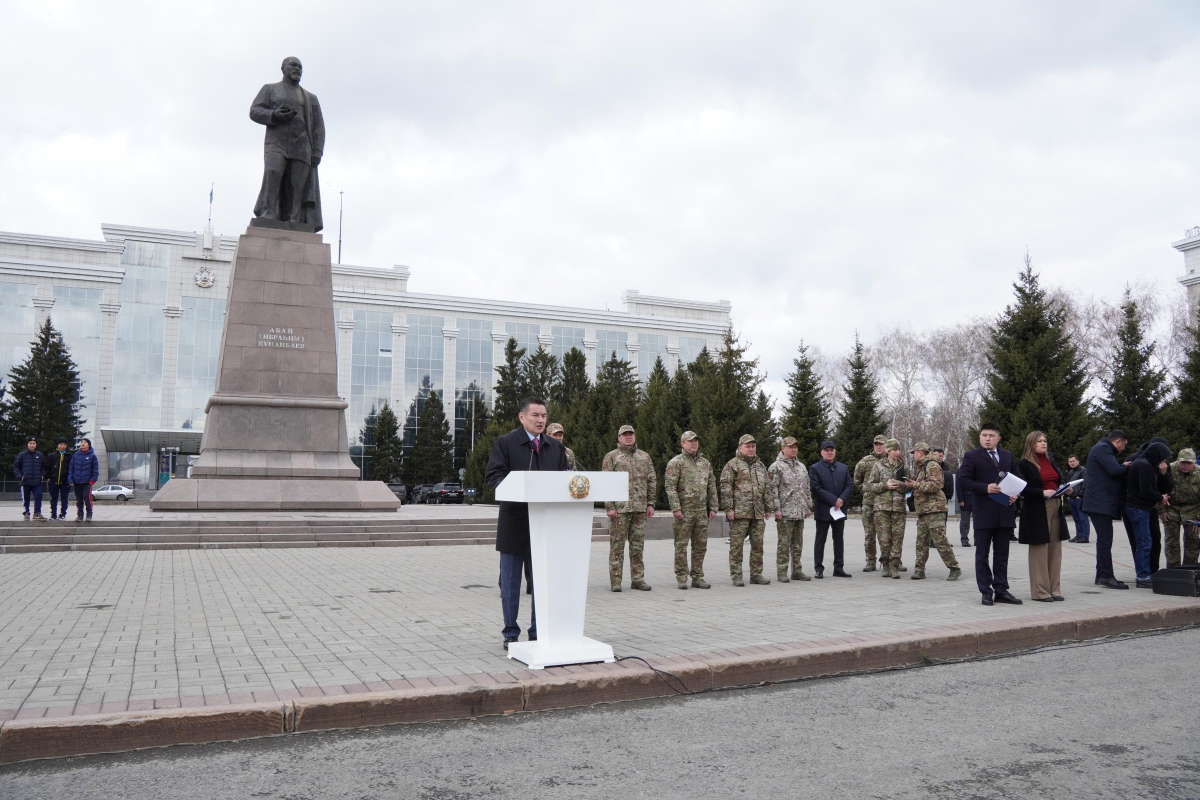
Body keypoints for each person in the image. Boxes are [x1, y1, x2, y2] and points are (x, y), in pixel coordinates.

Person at [485, 397, 570, 650]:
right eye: (535, 415)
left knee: (541, 584)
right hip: (515, 522)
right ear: (522, 417)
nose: (541, 420)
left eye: (543, 415)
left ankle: (537, 631)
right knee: (511, 584)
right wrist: (516, 489)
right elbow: (494, 476)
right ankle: (511, 632)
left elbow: (565, 480)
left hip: (544, 525)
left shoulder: (555, 447)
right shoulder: (506, 443)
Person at [250, 57, 325, 230]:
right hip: (276, 142)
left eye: (300, 67)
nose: (297, 69)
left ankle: (294, 219)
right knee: (273, 172)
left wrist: (317, 150)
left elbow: (319, 127)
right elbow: (255, 111)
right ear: (283, 68)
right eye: (293, 65)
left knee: (297, 184)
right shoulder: (270, 89)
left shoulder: (310, 98)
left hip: (302, 145)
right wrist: (274, 115)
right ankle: (269, 213)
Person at [956, 423, 1023, 606]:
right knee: (982, 554)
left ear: (998, 438)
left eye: (991, 435)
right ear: (980, 437)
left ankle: (1001, 589)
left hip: (1005, 512)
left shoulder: (1007, 455)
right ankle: (986, 591)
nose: (987, 438)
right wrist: (985, 488)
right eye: (984, 435)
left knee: (1002, 554)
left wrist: (1015, 494)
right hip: (984, 512)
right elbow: (963, 480)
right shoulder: (971, 456)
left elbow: (1017, 477)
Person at [1014, 432, 1069, 602]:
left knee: (1055, 549)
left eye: (1045, 440)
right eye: (1039, 441)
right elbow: (1021, 488)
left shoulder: (1050, 460)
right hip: (1037, 508)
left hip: (1056, 505)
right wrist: (1041, 492)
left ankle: (1054, 589)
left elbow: (1057, 480)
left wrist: (1065, 488)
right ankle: (1040, 592)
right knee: (1040, 550)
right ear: (1031, 444)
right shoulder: (1024, 464)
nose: (1043, 443)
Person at [602, 424, 657, 592]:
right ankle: (616, 581)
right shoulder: (612, 457)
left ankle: (638, 579)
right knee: (617, 546)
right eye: (625, 435)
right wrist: (609, 506)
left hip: (640, 508)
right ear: (619, 438)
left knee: (637, 546)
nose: (628, 437)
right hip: (620, 510)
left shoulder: (644, 457)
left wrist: (651, 503)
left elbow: (652, 480)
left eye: (631, 434)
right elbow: (605, 483)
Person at [664, 431, 718, 589]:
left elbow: (712, 486)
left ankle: (698, 576)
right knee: (681, 545)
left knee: (700, 545)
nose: (694, 443)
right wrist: (675, 508)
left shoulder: (705, 463)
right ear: (682, 444)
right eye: (690, 441)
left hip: (701, 512)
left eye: (696, 441)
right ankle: (681, 577)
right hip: (684, 511)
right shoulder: (676, 463)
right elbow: (670, 487)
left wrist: (714, 506)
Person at [720, 434, 775, 586]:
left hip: (757, 512)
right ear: (740, 448)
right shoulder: (732, 465)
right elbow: (725, 488)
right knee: (737, 545)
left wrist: (768, 506)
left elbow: (766, 488)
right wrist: (729, 509)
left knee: (758, 544)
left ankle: (756, 574)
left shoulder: (760, 466)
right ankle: (736, 575)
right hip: (739, 512)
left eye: (753, 446)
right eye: (748, 446)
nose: (751, 449)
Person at [1081, 430, 1130, 590]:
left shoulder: (1102, 448)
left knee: (1104, 539)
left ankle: (1101, 575)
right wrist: (1126, 466)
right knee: (1105, 540)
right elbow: (1115, 470)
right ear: (1118, 442)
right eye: (1124, 445)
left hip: (1100, 503)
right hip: (1099, 503)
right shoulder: (1103, 448)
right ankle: (1106, 576)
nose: (1123, 449)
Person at [907, 443, 961, 581]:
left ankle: (954, 568)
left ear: (920, 452)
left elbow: (936, 485)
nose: (913, 455)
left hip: (934, 509)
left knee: (940, 540)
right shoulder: (922, 467)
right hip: (924, 510)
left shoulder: (932, 465)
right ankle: (919, 570)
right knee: (921, 542)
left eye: (914, 453)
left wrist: (916, 485)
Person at [1126, 441, 1171, 588]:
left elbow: (1160, 486)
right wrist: (1160, 498)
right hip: (1138, 508)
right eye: (1163, 458)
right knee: (1144, 543)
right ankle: (1143, 576)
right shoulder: (1144, 465)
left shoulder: (1148, 464)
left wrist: (1163, 475)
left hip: (1144, 507)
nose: (1164, 462)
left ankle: (1147, 574)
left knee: (1147, 542)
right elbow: (1146, 490)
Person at [768, 436, 814, 582]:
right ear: (783, 448)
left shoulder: (801, 466)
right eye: (790, 447)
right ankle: (782, 572)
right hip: (785, 512)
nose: (794, 449)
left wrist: (808, 505)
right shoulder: (776, 467)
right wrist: (777, 509)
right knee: (784, 543)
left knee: (798, 543)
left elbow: (806, 488)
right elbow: (772, 489)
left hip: (799, 510)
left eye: (795, 447)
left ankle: (797, 571)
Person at [809, 440, 854, 578]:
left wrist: (841, 499)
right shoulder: (815, 468)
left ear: (835, 451)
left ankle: (839, 568)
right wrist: (833, 500)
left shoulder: (843, 468)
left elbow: (849, 485)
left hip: (839, 510)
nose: (829, 452)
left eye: (831, 450)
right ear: (822, 452)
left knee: (839, 539)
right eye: (826, 450)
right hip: (823, 510)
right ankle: (819, 568)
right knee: (820, 540)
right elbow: (816, 488)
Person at [865, 439, 909, 579]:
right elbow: (871, 486)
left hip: (898, 508)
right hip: (881, 509)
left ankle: (894, 565)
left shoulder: (903, 466)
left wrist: (900, 484)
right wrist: (885, 485)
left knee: (897, 539)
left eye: (898, 450)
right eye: (894, 450)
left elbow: (910, 486)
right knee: (884, 539)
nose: (897, 452)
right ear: (888, 451)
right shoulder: (878, 466)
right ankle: (885, 564)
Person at [853, 435, 888, 571]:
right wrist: (865, 489)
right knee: (869, 534)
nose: (878, 447)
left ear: (886, 445)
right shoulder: (865, 461)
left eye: (881, 444)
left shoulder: (891, 460)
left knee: (887, 535)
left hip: (886, 504)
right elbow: (857, 480)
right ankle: (871, 561)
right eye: (876, 444)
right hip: (869, 503)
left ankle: (892, 560)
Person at [1163, 448, 1200, 568]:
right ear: (1178, 460)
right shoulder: (1168, 469)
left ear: (1194, 462)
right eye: (1183, 462)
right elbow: (1158, 490)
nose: (1186, 465)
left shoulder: (1199, 474)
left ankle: (1190, 569)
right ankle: (1173, 569)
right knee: (1171, 541)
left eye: (1189, 463)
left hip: (1192, 509)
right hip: (1171, 508)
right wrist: (1161, 511)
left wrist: (1198, 518)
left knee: (1192, 540)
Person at [13, 437, 47, 521]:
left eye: (33, 443)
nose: (32, 445)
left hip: (37, 482)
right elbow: (16, 467)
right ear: (27, 444)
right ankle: (26, 513)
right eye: (30, 443)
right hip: (25, 482)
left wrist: (42, 475)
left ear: (36, 445)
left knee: (38, 497)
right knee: (26, 499)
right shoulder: (22, 455)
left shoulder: (39, 455)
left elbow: (43, 467)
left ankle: (37, 513)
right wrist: (20, 476)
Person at [68, 438, 99, 521]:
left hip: (87, 482)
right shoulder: (75, 455)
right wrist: (70, 479)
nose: (83, 443)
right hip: (77, 481)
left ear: (88, 445)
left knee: (87, 499)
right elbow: (71, 468)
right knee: (79, 500)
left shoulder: (92, 456)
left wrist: (93, 480)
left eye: (85, 442)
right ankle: (80, 515)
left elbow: (95, 469)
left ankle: (89, 515)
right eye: (82, 442)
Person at [44, 439, 72, 520]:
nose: (62, 446)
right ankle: (53, 514)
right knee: (53, 499)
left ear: (66, 446)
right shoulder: (52, 455)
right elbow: (47, 468)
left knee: (64, 498)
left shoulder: (69, 456)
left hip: (65, 481)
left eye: (64, 444)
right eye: (61, 444)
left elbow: (71, 468)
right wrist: (48, 477)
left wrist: (70, 479)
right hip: (53, 481)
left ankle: (63, 514)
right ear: (57, 445)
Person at [1064, 454, 1089, 543]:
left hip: (1079, 498)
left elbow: (1085, 484)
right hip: (1072, 497)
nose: (1072, 463)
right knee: (1076, 518)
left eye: (1073, 461)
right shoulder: (1071, 472)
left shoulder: (1083, 471)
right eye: (1070, 461)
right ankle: (1079, 535)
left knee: (1083, 517)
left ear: (1078, 461)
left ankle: (1085, 537)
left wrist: (1080, 495)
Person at [932, 447, 954, 532]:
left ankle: (942, 539)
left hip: (944, 496)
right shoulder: (928, 465)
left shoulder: (945, 466)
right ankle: (932, 540)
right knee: (933, 519)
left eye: (940, 456)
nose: (938, 458)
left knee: (943, 518)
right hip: (932, 497)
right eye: (936, 455)